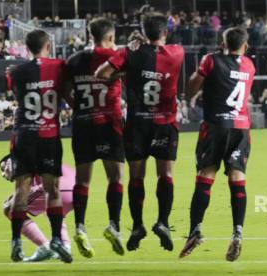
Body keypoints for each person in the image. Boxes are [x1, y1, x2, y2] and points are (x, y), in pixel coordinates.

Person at [96, 15, 184, 252]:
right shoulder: (178, 52)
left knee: (136, 177)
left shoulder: (129, 53)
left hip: (137, 124)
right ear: (165, 33)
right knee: (165, 174)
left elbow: (101, 74)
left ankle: (137, 226)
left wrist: (125, 73)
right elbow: (160, 48)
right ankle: (163, 222)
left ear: (143, 33)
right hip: (165, 123)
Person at [179, 27, 255, 262]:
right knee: (237, 178)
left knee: (206, 175)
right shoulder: (250, 66)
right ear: (245, 45)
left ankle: (195, 230)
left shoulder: (211, 61)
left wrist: (204, 69)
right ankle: (237, 232)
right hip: (241, 128)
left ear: (222, 42)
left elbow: (189, 89)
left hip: (215, 127)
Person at [6, 29, 72, 263]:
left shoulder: (15, 71)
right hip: (48, 135)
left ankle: (16, 242)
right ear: (47, 46)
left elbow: (16, 92)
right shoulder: (58, 66)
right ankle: (55, 238)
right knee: (51, 190)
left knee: (20, 190)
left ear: (26, 46)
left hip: (24, 135)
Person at [65, 18, 125, 258]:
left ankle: (80, 226)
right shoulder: (116, 57)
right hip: (109, 124)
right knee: (116, 177)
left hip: (83, 124)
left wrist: (77, 107)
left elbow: (66, 90)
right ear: (110, 37)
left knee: (83, 179)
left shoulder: (74, 60)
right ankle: (114, 225)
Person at [0, 155, 74, 262]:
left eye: (3, 169)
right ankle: (65, 246)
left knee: (10, 208)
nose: (3, 174)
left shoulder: (25, 163)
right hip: (77, 193)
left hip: (59, 188)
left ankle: (44, 247)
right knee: (52, 211)